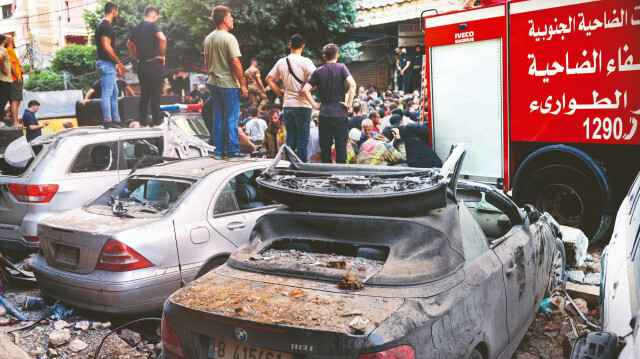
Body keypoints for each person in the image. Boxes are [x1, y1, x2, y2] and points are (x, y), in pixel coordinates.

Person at [204, 5, 248, 160]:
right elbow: (235, 62)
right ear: (224, 19)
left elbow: (206, 63)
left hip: (213, 82)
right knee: (231, 118)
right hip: (228, 84)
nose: (232, 19)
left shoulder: (209, 38)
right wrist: (242, 84)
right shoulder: (229, 38)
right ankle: (232, 151)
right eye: (230, 16)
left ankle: (218, 151)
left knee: (218, 117)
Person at [265, 34, 316, 163]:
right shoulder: (306, 62)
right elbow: (317, 79)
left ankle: (290, 169)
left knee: (290, 140)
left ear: (290, 45)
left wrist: (280, 93)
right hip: (303, 106)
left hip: (288, 105)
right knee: (302, 141)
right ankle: (301, 171)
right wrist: (308, 89)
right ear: (303, 46)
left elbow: (269, 79)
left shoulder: (281, 62)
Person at [302, 43, 356, 164]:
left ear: (324, 57)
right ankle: (341, 176)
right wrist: (349, 103)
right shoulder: (342, 67)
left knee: (325, 148)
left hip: (325, 114)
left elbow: (305, 90)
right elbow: (352, 84)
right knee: (341, 147)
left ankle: (327, 176)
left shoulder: (318, 71)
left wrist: (315, 106)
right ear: (337, 56)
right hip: (340, 114)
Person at [128, 5, 167, 127]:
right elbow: (163, 39)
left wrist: (137, 58)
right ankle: (156, 123)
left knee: (144, 94)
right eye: (157, 18)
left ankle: (143, 123)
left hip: (141, 65)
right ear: (154, 16)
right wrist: (163, 55)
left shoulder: (136, 27)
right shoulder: (152, 25)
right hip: (154, 64)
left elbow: (129, 44)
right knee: (155, 95)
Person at [95, 1, 126, 128]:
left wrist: (115, 64)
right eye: (117, 11)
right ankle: (108, 121)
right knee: (108, 92)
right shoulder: (106, 26)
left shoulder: (101, 25)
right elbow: (106, 46)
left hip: (107, 63)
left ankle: (116, 120)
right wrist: (118, 62)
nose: (117, 13)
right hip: (106, 64)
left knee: (114, 92)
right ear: (114, 11)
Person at [6, 36, 23, 128]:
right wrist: (17, 76)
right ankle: (15, 122)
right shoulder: (10, 50)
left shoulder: (8, 51)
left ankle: (14, 121)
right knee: (15, 101)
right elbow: (10, 64)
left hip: (14, 79)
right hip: (14, 79)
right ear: (12, 41)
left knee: (16, 101)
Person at [0, 34, 12, 126]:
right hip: (3, 80)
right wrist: (3, 68)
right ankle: (0, 121)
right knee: (2, 101)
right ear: (4, 41)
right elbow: (0, 57)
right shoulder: (3, 49)